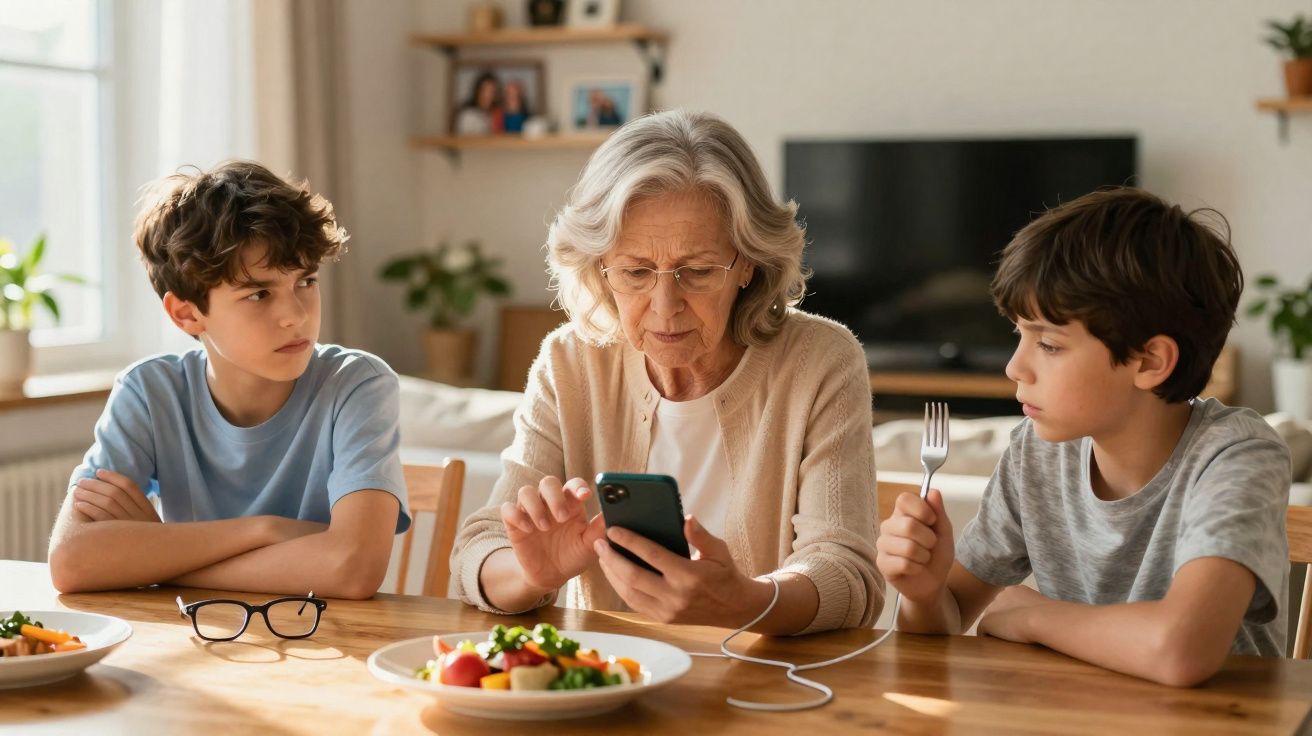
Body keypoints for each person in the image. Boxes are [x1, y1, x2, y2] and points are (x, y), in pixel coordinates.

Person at [452, 110, 884, 635]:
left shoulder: (821, 360)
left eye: (697, 271)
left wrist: (746, 602)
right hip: (611, 687)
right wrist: (527, 571)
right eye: (635, 272)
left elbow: (849, 575)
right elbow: (478, 552)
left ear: (748, 263)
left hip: (766, 694)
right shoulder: (570, 362)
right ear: (599, 267)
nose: (664, 306)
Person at [876, 188, 1291, 686]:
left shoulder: (1236, 457)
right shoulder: (1036, 452)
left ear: (1150, 362)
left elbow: (1181, 650)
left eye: (1048, 344)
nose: (1014, 367)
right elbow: (940, 634)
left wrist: (1033, 615)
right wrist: (922, 592)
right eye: (1019, 335)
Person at [48, 160, 410, 599]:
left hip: (327, 639)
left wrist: (159, 560)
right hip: (195, 637)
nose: (296, 316)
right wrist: (265, 530)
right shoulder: (148, 392)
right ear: (187, 313)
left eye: (306, 281)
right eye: (258, 294)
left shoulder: (357, 384)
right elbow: (72, 561)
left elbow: (352, 570)